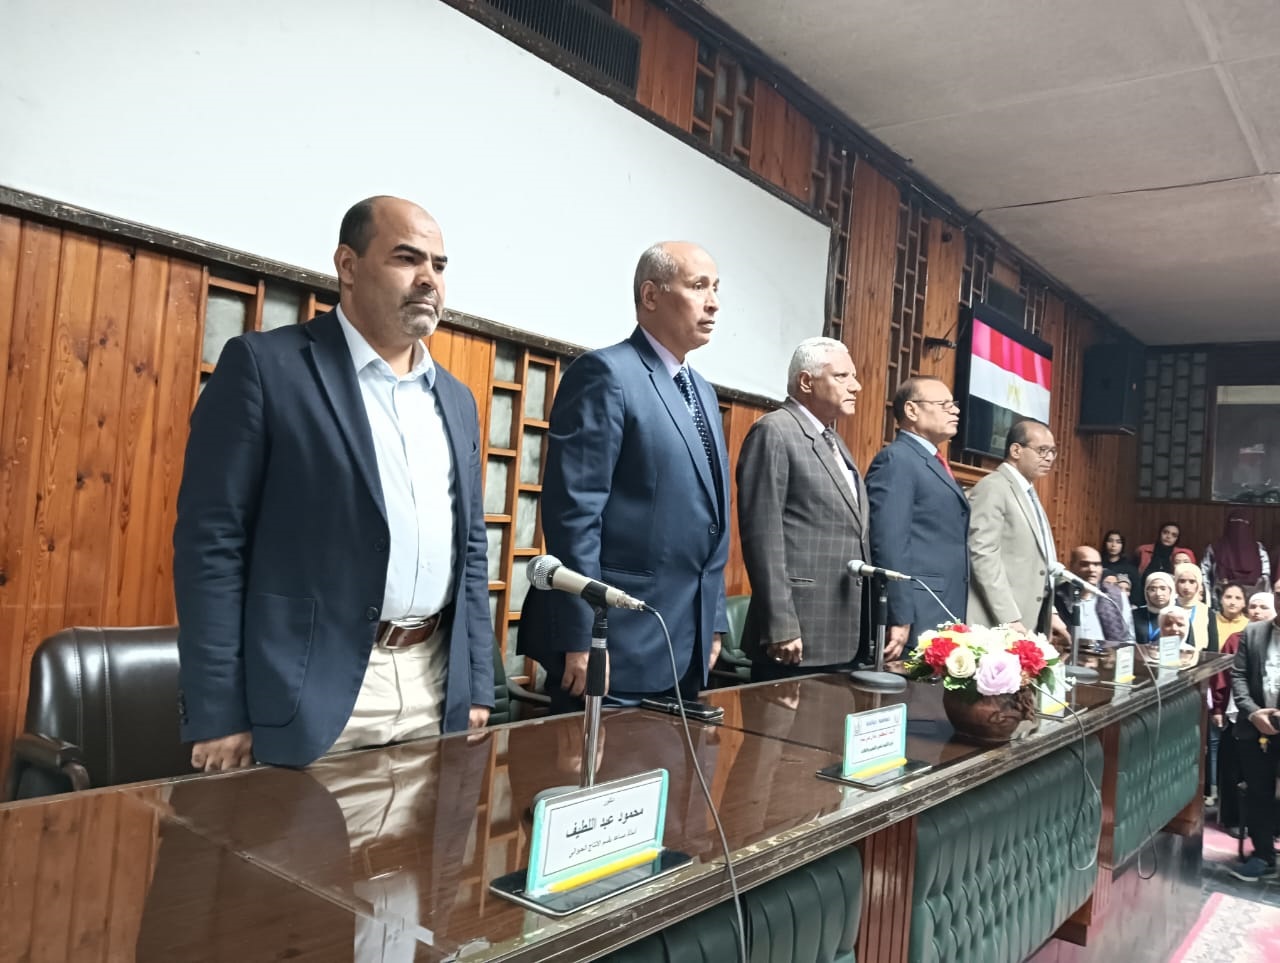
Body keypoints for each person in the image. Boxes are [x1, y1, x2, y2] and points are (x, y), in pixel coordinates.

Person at [173, 196, 493, 770]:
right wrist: (219, 710)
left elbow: (470, 548)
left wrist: (476, 684)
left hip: (436, 685)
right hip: (309, 691)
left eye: (439, 265)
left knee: (429, 835)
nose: (428, 279)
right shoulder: (266, 368)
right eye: (407, 259)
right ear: (348, 265)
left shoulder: (456, 400)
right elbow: (211, 544)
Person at [518, 242, 728, 711]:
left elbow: (713, 518)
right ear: (651, 295)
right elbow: (575, 516)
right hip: (613, 639)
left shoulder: (703, 392)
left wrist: (713, 620)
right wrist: (582, 636)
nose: (714, 302)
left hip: (684, 638)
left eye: (716, 288)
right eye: (698, 286)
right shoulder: (606, 374)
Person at [736, 338, 869, 681]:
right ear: (807, 382)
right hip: (795, 634)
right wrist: (780, 623)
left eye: (853, 376)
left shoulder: (834, 440)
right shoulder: (775, 431)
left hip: (841, 629)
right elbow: (762, 535)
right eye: (842, 376)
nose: (856, 386)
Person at [864, 377, 970, 658]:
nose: (955, 410)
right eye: (944, 404)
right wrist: (898, 614)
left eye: (954, 404)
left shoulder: (931, 461)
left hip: (942, 605)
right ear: (911, 410)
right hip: (915, 613)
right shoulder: (897, 460)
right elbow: (889, 542)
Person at [967, 418, 1068, 639]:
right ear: (1016, 450)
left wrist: (1050, 612)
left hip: (1029, 618)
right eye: (1042, 450)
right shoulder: (993, 487)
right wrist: (1009, 617)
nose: (1049, 458)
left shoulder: (1027, 491)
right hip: (999, 622)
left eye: (1053, 451)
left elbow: (1038, 561)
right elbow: (982, 554)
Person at [1228, 584, 1280, 882]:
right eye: (1279, 593)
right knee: (1259, 793)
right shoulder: (1254, 631)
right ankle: (1263, 855)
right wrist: (1252, 712)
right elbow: (1238, 676)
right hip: (1256, 726)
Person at [1209, 584, 1261, 819]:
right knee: (1232, 765)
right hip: (1238, 713)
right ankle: (1232, 817)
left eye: (1263, 607)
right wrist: (1218, 707)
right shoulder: (1236, 639)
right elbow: (1223, 677)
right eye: (1254, 607)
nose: (1257, 611)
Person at [1053, 545, 1134, 648]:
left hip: (1106, 656)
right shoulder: (1057, 595)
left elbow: (1128, 639)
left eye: (1096, 564)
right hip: (1066, 654)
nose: (1092, 569)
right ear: (1072, 566)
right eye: (1084, 564)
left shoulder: (1116, 597)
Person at [1202, 510, 1271, 607]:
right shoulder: (1215, 548)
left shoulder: (1259, 549)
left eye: (1243, 524)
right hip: (1221, 604)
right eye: (1235, 523)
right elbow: (1205, 577)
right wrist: (1209, 603)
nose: (1239, 530)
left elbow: (1265, 579)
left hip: (1253, 605)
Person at [1134, 522, 1185, 604]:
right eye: (1165, 532)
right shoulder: (1143, 550)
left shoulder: (1179, 555)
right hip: (1143, 596)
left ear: (1177, 539)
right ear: (1160, 533)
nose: (1168, 537)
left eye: (1174, 535)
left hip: (1170, 600)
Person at [1173, 562, 1209, 650]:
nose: (1186, 586)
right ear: (1176, 583)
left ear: (1198, 584)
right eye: (1182, 581)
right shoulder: (1168, 609)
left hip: (1200, 657)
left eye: (1192, 582)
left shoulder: (1207, 611)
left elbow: (1213, 648)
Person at [1133, 571, 1175, 643]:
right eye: (1153, 589)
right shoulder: (1135, 615)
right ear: (1146, 592)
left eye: (1163, 589)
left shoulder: (1180, 615)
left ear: (1171, 590)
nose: (1158, 594)